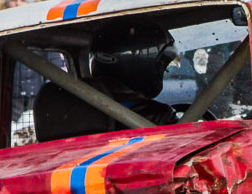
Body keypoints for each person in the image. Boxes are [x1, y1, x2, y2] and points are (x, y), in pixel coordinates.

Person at [32, 20, 179, 142]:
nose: (164, 71)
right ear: (143, 64)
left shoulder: (64, 120)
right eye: (162, 66)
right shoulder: (158, 117)